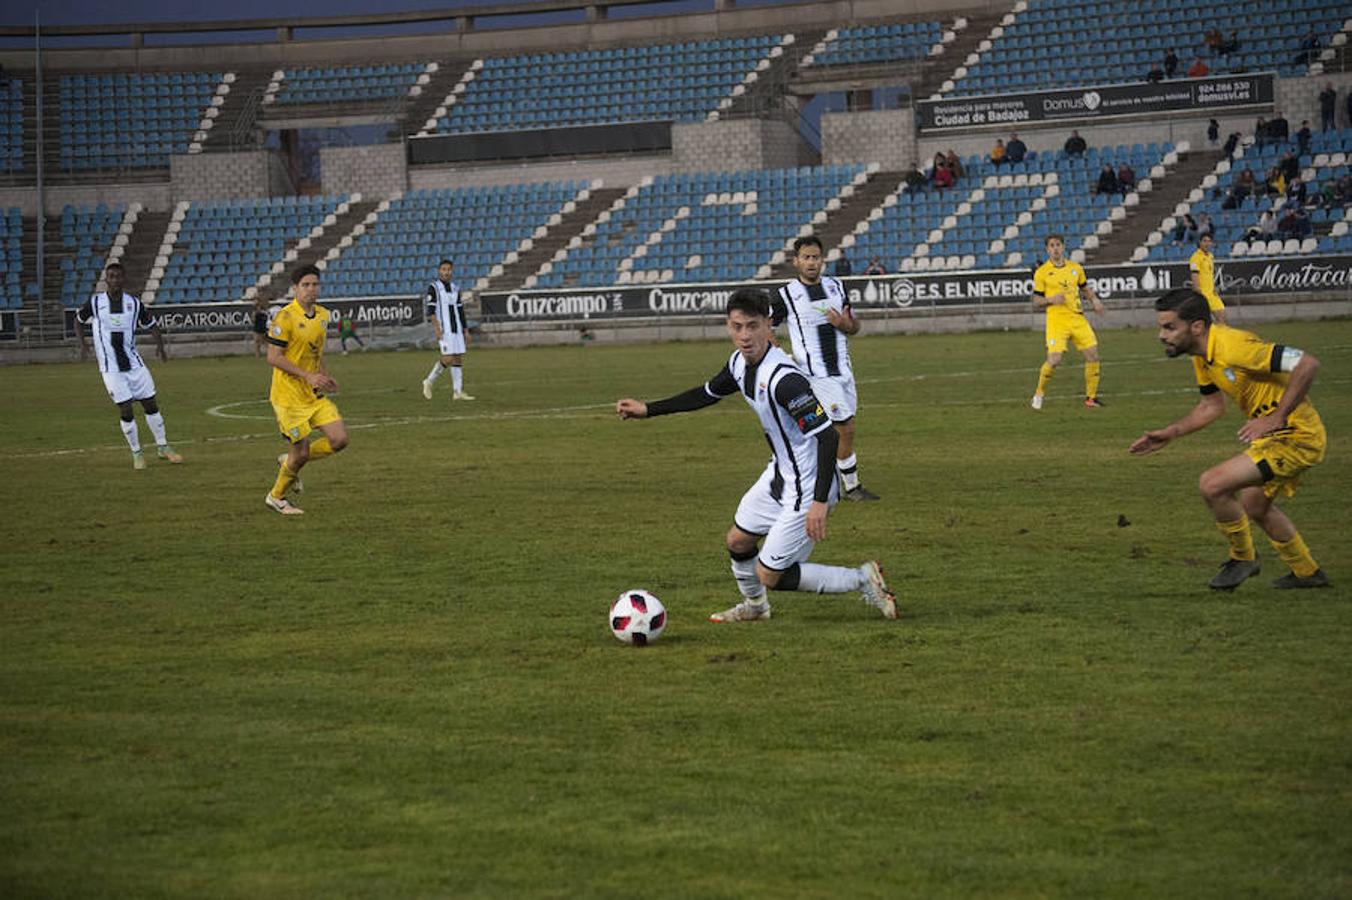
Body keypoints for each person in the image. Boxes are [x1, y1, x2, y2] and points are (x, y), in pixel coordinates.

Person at [614, 288, 897, 623]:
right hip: (780, 474)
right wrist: (649, 410)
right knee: (737, 540)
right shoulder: (738, 363)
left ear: (768, 325)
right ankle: (756, 608)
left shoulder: (785, 380)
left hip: (808, 486)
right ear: (728, 326)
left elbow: (825, 438)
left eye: (752, 326)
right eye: (737, 327)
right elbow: (706, 393)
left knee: (770, 574)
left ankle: (863, 578)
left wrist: (820, 501)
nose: (745, 336)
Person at [1129, 288, 1329, 590]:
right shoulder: (1202, 355)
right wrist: (1171, 433)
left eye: (1169, 327)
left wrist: (1277, 417)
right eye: (1161, 326)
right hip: (1275, 438)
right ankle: (1307, 572)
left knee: (1212, 484)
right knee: (1255, 505)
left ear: (1196, 326)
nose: (1162, 334)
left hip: (1296, 436)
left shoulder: (1234, 347)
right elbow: (1212, 406)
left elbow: (1307, 364)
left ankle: (1243, 558)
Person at [771, 235, 879, 502]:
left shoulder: (836, 287)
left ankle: (802, 476)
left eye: (815, 257)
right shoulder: (785, 295)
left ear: (822, 260)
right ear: (796, 261)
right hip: (816, 375)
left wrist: (844, 323)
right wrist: (783, 358)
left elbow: (854, 326)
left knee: (830, 430)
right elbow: (768, 331)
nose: (811, 262)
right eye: (806, 257)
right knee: (845, 427)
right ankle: (851, 487)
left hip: (844, 371)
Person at [76, 262, 183, 470]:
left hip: (134, 364)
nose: (114, 280)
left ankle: (163, 447)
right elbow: (78, 321)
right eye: (111, 276)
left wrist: (160, 347)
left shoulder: (134, 304)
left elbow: (151, 325)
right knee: (126, 409)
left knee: (151, 404)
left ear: (123, 279)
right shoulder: (96, 303)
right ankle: (137, 453)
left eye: (118, 276)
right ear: (106, 279)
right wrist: (83, 344)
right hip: (111, 368)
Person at [263, 264, 349, 516]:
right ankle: (276, 497)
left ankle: (287, 462)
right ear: (295, 288)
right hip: (288, 397)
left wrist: (324, 375)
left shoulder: (323, 315)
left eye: (315, 284)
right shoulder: (285, 317)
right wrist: (308, 375)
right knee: (300, 453)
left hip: (312, 394)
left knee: (339, 439)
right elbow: (273, 357)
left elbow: (316, 351)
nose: (311, 290)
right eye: (306, 285)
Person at [1029, 234, 1107, 410]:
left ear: (1063, 247)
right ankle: (1039, 393)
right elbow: (1036, 301)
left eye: (1058, 245)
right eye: (1052, 246)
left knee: (1093, 354)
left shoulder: (1075, 268)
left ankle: (1090, 398)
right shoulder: (1042, 273)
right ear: (1047, 250)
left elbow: (1085, 288)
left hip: (1077, 318)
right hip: (1057, 321)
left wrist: (1095, 300)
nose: (1055, 248)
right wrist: (1051, 299)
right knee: (1054, 360)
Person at [421, 259, 474, 401]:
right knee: (448, 358)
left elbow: (460, 311)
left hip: (456, 328)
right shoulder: (434, 288)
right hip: (445, 330)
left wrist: (466, 330)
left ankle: (457, 392)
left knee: (457, 357)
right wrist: (437, 329)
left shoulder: (456, 288)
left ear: (452, 271)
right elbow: (431, 311)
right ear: (439, 271)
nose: (446, 272)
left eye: (449, 269)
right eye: (443, 269)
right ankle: (429, 381)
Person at [1189, 234, 1227, 325]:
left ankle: (1217, 338)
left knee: (1222, 317)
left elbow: (1209, 275)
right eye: (1204, 241)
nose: (1207, 243)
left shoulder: (1210, 256)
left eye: (1209, 241)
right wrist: (1198, 291)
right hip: (1203, 294)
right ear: (1200, 242)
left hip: (1212, 294)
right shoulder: (1195, 257)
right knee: (1205, 323)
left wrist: (1213, 288)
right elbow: (1194, 275)